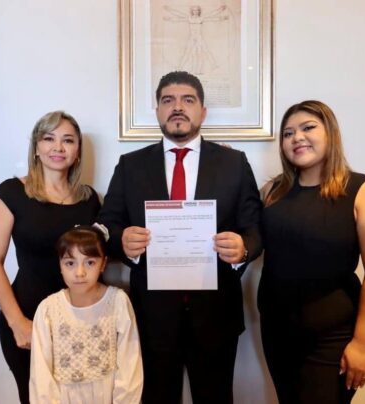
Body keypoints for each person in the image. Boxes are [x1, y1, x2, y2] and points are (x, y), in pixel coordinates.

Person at [98, 71, 262, 403]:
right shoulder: (130, 166)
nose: (177, 107)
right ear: (157, 110)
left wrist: (243, 248)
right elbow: (106, 225)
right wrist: (121, 241)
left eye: (188, 100)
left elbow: (255, 228)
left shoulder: (234, 162)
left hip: (216, 315)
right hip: (152, 316)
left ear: (203, 111)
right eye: (168, 100)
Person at [258, 100, 365, 403]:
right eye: (288, 133)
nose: (297, 137)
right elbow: (246, 237)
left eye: (308, 128)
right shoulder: (272, 192)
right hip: (277, 333)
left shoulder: (364, 191)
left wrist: (362, 343)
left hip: (333, 336)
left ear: (330, 134)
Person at [0, 111, 101, 404]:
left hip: (81, 322)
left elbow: (100, 260)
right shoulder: (12, 192)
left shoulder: (90, 200)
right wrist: (17, 322)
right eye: (49, 138)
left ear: (77, 152)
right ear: (36, 147)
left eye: (68, 140)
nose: (58, 147)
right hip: (28, 317)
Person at [29, 225, 143, 403]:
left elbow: (130, 363)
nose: (80, 273)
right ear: (60, 265)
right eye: (70, 263)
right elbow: (41, 375)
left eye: (90, 263)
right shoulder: (48, 310)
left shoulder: (118, 302)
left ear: (103, 263)